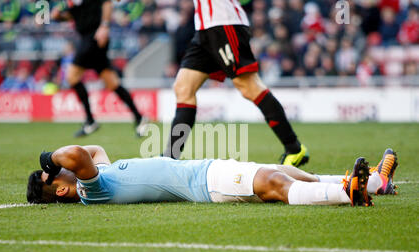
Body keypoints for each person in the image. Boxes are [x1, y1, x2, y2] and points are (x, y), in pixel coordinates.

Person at [162, 0, 308, 167]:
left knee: (249, 87)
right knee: (183, 87)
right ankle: (170, 159)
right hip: (204, 27)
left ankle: (294, 148)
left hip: (224, 24)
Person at [27, 145, 398, 207]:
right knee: (274, 184)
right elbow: (76, 155)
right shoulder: (92, 191)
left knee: (287, 171)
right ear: (60, 191)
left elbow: (91, 153)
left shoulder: (100, 172)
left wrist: (52, 168)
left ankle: (379, 183)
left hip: (204, 171)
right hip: (203, 182)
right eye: (52, 176)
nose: (55, 169)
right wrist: (48, 156)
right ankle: (346, 194)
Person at [51, 0, 148, 137]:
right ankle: (139, 118)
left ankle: (90, 120)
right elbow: (75, 14)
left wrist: (105, 26)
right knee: (112, 83)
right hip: (87, 37)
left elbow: (107, 2)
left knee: (71, 77)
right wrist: (58, 16)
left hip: (94, 37)